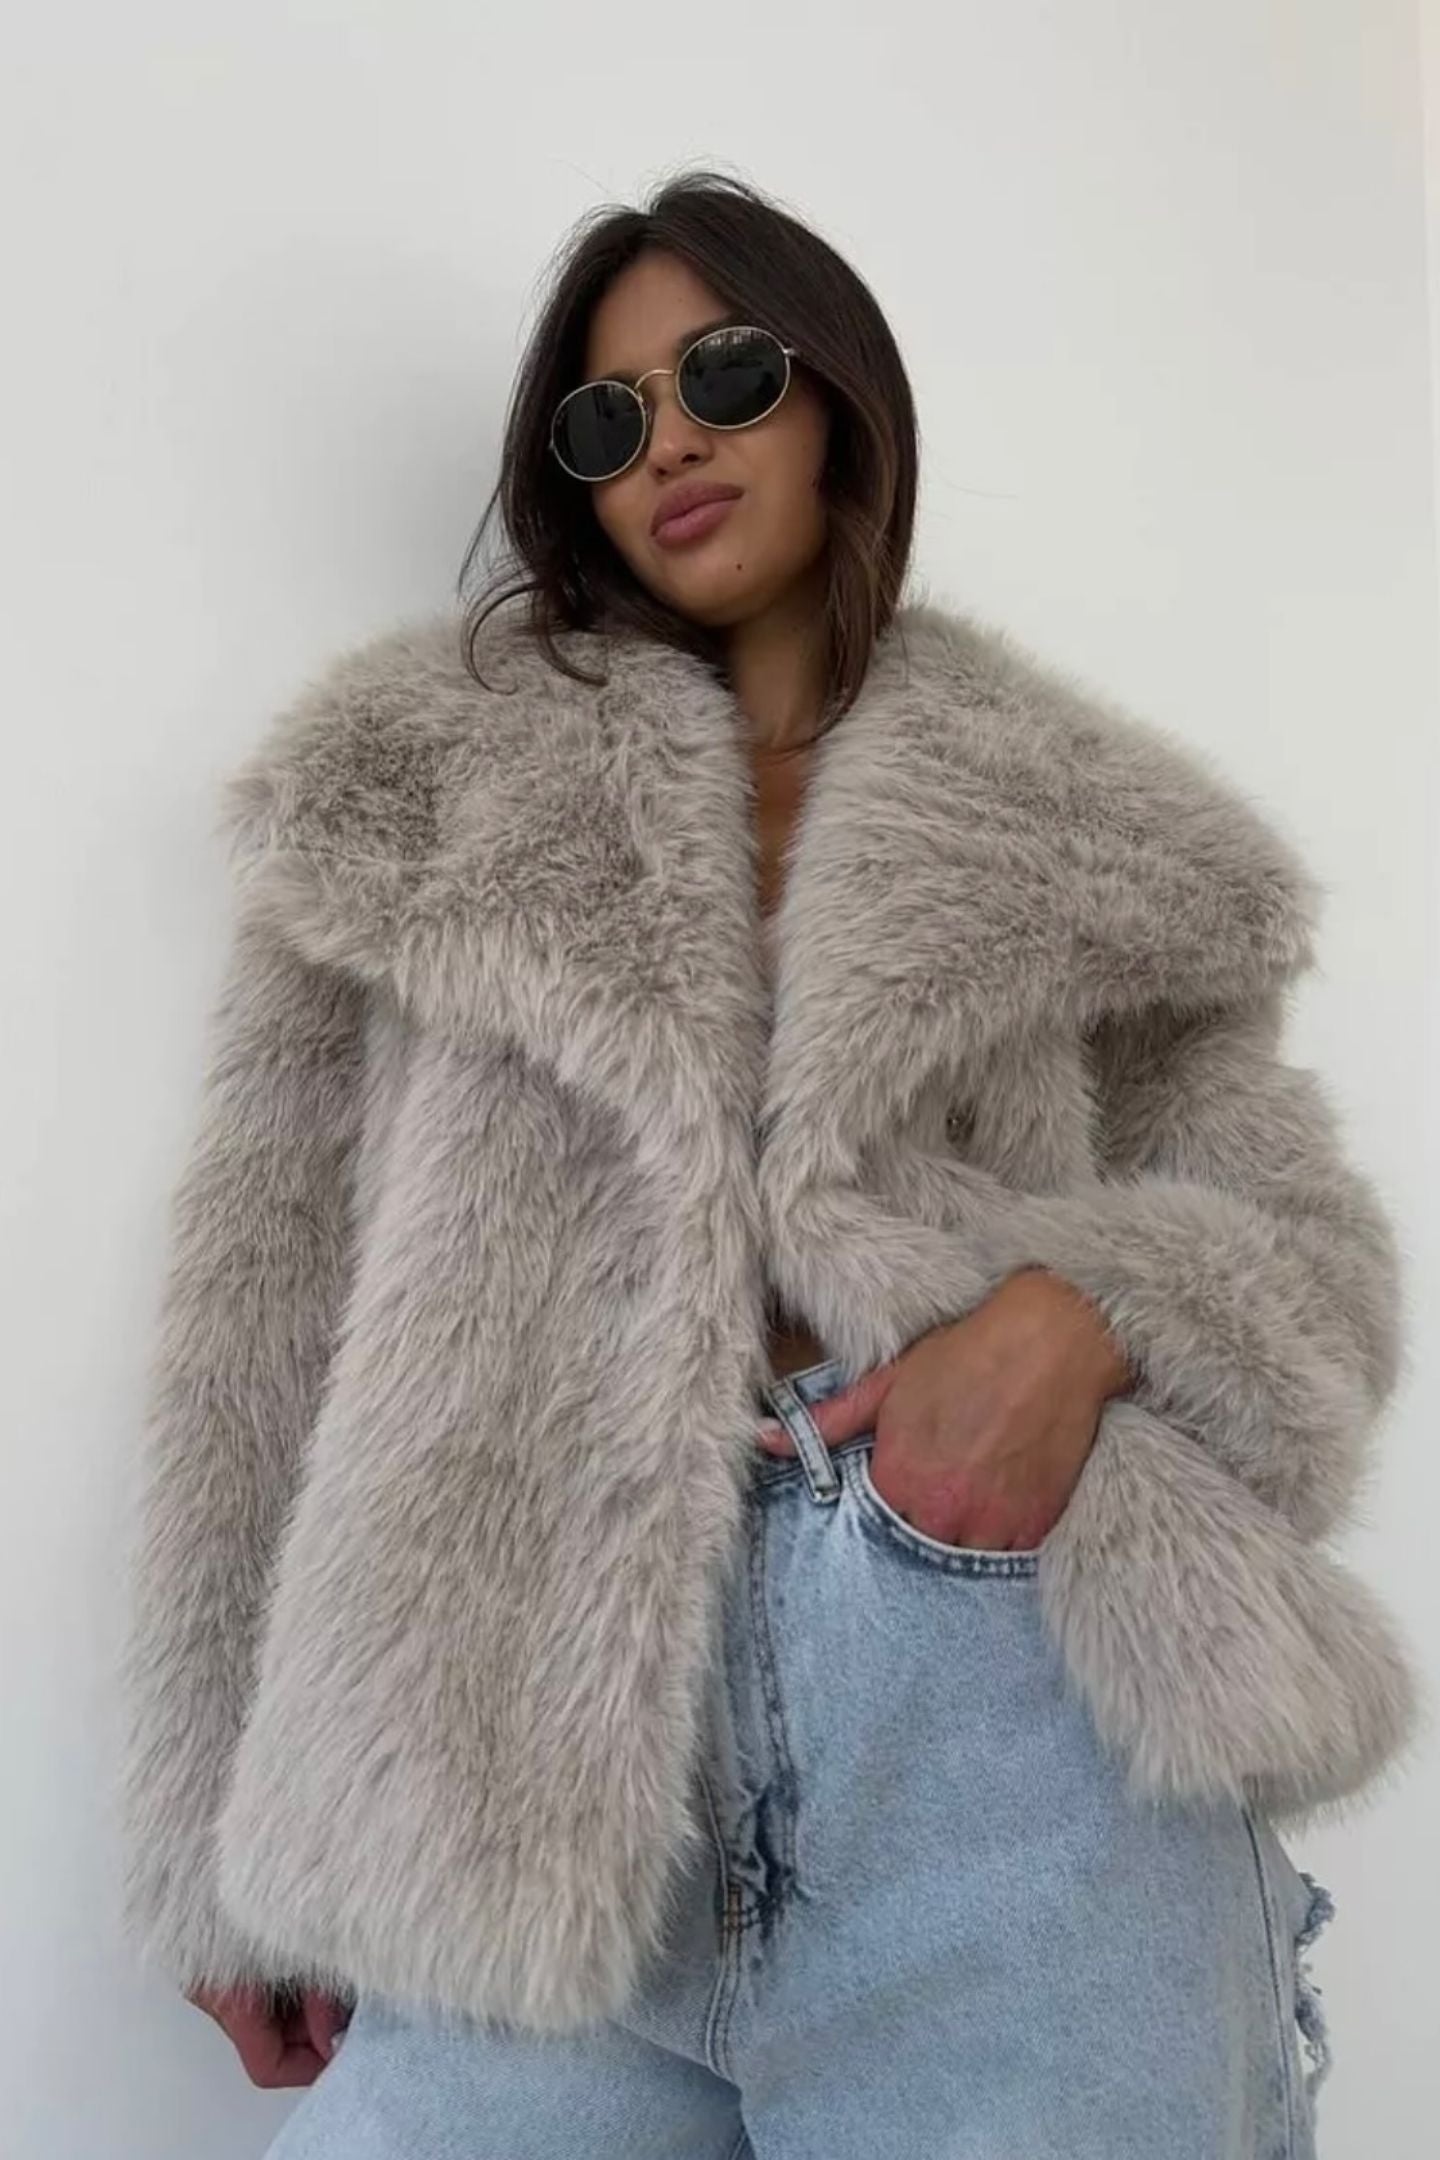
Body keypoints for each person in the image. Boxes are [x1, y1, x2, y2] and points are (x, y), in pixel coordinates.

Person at [117, 168, 1418, 2158]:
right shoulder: (411, 806)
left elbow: (1311, 1270)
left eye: (721, 373)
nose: (670, 441)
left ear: (834, 395)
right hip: (505, 1737)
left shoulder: (1094, 831)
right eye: (607, 417)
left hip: (1002, 1713)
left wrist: (1074, 1321)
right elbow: (257, 1322)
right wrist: (211, 1844)